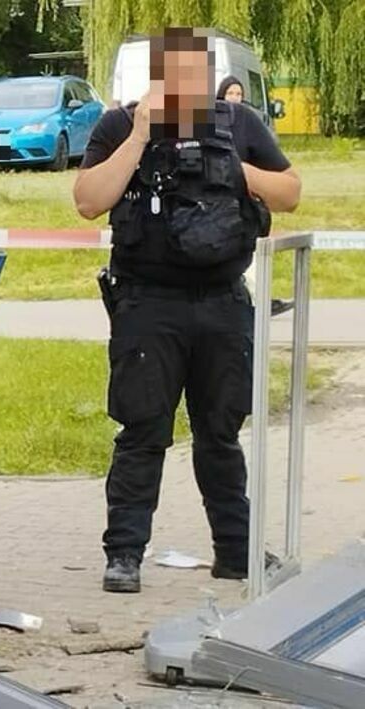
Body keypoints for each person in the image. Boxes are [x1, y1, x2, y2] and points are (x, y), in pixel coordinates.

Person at [73, 28, 302, 594]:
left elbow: (290, 192)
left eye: (194, 75)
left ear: (207, 75)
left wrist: (233, 167)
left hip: (222, 302)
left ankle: (235, 552)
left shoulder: (238, 123)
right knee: (142, 430)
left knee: (220, 433)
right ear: (157, 76)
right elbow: (88, 201)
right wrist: (141, 135)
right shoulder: (120, 125)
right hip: (148, 303)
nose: (184, 87)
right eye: (173, 75)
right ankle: (124, 555)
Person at [218, 75, 296, 316]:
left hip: (241, 220)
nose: (234, 98)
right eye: (230, 93)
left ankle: (259, 301)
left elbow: (290, 191)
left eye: (238, 94)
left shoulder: (246, 122)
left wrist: (239, 172)